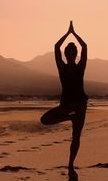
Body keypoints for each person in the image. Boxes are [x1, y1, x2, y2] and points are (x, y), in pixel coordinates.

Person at [40, 21, 88, 180]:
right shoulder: (62, 67)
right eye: (69, 50)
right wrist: (68, 33)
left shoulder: (81, 67)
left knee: (76, 137)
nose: (71, 52)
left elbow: (85, 47)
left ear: (75, 54)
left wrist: (74, 34)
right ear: (66, 54)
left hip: (80, 106)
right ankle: (69, 117)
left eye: (73, 50)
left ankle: (70, 164)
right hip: (67, 106)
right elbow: (56, 47)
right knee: (45, 120)